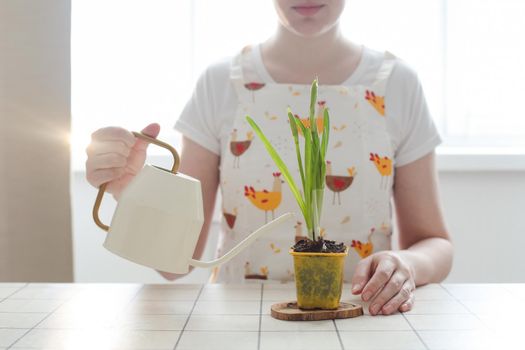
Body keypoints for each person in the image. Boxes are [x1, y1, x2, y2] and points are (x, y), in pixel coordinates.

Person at [86, 0, 453, 316]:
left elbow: (435, 242)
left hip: (360, 318)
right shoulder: (221, 84)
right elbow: (175, 265)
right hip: (238, 320)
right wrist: (132, 192)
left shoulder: (397, 83)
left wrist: (408, 264)